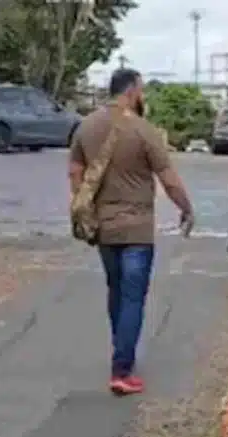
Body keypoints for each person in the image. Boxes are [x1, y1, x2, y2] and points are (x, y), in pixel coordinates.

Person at [68, 67, 195, 395]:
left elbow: (75, 173)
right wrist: (186, 208)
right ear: (132, 91)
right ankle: (121, 369)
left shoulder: (86, 127)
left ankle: (121, 350)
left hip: (103, 228)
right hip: (137, 230)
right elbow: (167, 177)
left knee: (116, 290)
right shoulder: (144, 130)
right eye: (140, 91)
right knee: (133, 297)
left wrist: (85, 208)